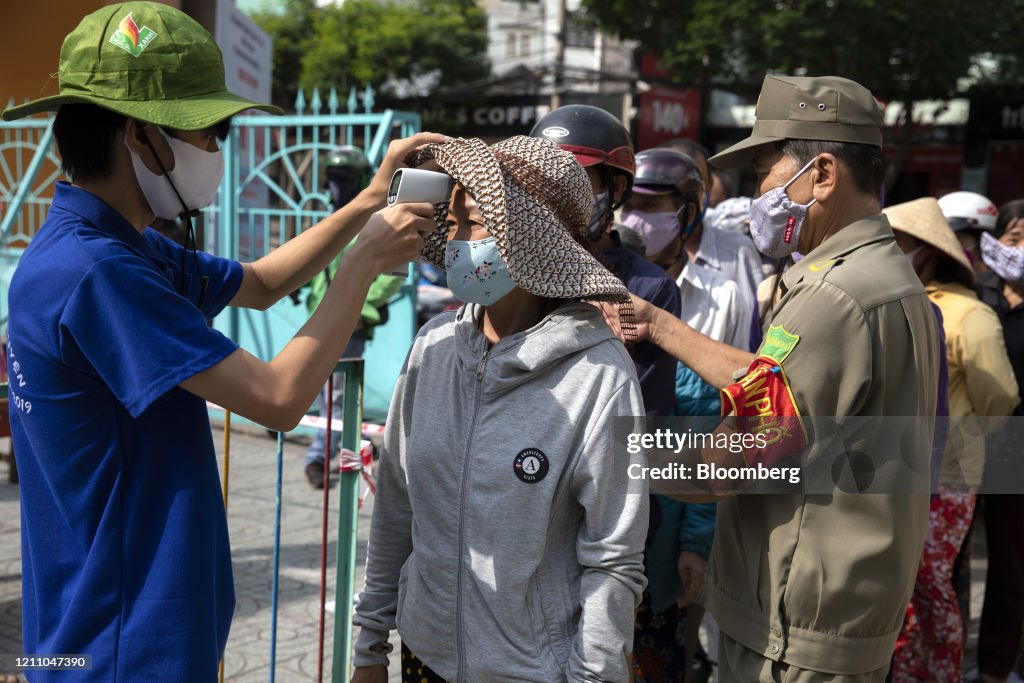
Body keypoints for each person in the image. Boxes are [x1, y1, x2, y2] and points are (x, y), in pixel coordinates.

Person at [2, 3, 443, 679]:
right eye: (207, 133)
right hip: (125, 644)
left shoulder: (110, 246)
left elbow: (263, 282)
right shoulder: (98, 272)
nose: (215, 152)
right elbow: (277, 398)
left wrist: (365, 204)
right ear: (138, 134)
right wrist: (360, 265)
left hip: (106, 627)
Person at [630, 75, 940, 681]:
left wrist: (615, 457)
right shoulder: (889, 282)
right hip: (846, 609)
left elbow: (738, 457)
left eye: (766, 174)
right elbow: (790, 395)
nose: (758, 196)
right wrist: (662, 327)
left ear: (822, 174)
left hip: (795, 631)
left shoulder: (832, 296)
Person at [351, 136, 648, 682]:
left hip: (530, 671)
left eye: (476, 225)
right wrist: (370, 645)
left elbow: (613, 558)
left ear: (535, 241)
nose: (459, 243)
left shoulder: (600, 376)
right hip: (423, 655)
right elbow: (396, 503)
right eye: (455, 224)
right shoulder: (432, 347)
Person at [883, 197, 1019, 682]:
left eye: (896, 243)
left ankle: (940, 673)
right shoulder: (892, 303)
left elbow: (1000, 399)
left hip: (949, 473)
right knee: (897, 585)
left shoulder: (968, 314)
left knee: (930, 584)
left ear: (924, 251)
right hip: (887, 469)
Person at [530, 104, 681, 417]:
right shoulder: (513, 270)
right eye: (542, 179)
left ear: (616, 188)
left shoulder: (650, 289)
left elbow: (644, 415)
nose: (554, 193)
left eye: (575, 178)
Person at [303, 147, 405, 489]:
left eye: (341, 181)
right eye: (331, 180)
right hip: (323, 315)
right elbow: (324, 265)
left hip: (350, 320)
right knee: (329, 392)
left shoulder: (378, 220)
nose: (335, 188)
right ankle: (360, 442)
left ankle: (318, 458)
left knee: (337, 393)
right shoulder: (338, 216)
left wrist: (360, 307)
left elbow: (391, 273)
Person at [972, 199, 1024, 683]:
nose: (1021, 249)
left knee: (1010, 563)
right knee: (957, 556)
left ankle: (996, 666)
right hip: (973, 440)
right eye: (1014, 238)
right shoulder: (978, 291)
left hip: (1017, 445)